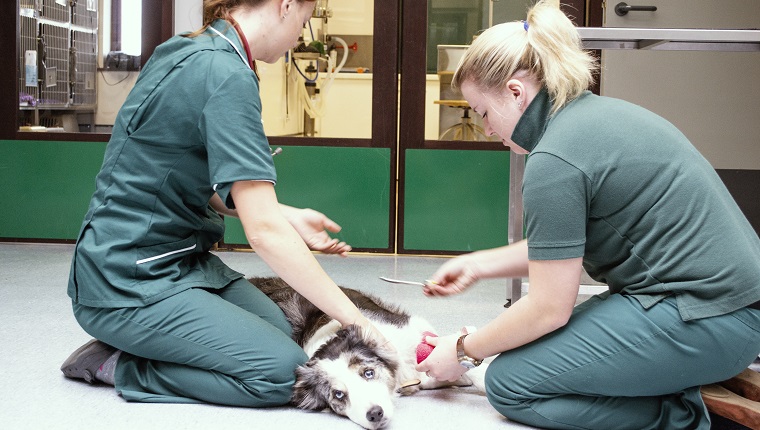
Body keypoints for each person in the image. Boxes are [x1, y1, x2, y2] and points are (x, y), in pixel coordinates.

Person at [415, 1, 760, 428]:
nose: (487, 130)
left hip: (709, 322)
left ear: (516, 92)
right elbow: (561, 247)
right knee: (521, 347)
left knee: (510, 382)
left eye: (484, 113)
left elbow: (548, 308)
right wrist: (479, 263)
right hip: (723, 309)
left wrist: (464, 350)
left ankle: (682, 416)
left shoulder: (555, 160)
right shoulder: (594, 117)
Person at [60, 0, 385, 407]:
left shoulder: (191, 49)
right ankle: (117, 365)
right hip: (128, 279)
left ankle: (150, 342)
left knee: (278, 330)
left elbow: (187, 174)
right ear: (285, 6)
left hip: (175, 262)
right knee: (283, 375)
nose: (298, 37)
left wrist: (286, 215)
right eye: (302, 23)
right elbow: (264, 234)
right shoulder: (226, 74)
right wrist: (358, 323)